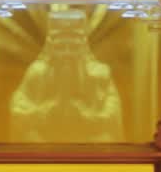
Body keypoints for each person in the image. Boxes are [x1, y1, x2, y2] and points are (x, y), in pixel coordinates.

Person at [10, 8, 124, 143]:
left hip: (89, 140)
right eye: (61, 47)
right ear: (51, 46)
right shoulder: (37, 74)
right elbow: (17, 109)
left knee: (105, 140)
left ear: (82, 46)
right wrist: (43, 112)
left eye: (72, 47)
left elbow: (113, 113)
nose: (67, 53)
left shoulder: (100, 74)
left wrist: (89, 117)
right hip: (46, 141)